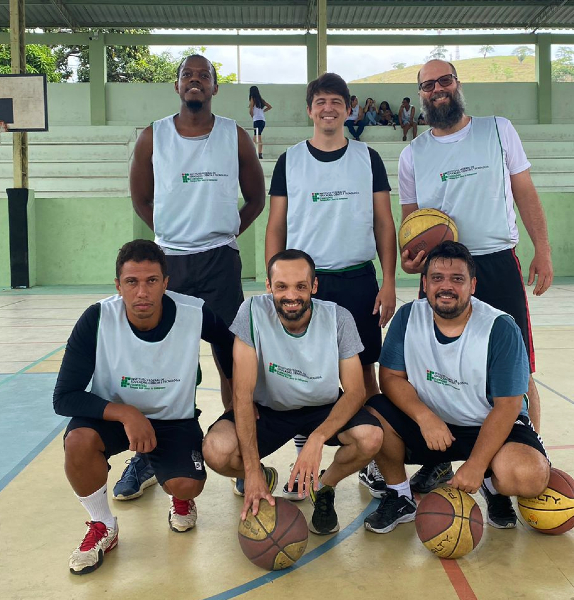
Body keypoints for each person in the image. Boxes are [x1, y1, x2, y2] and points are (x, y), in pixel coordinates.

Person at [398, 59, 553, 527]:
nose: (438, 89)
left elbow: (524, 191)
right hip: (443, 272)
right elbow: (411, 227)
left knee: (518, 370)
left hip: (495, 260)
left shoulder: (497, 130)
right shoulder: (413, 155)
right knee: (437, 369)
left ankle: (509, 468)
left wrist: (541, 249)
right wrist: (411, 261)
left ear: (457, 85)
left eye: (445, 80)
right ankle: (443, 456)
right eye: (429, 85)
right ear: (421, 94)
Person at [125, 54, 266, 502]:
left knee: (231, 358)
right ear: (177, 85)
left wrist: (221, 233)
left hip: (220, 262)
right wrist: (171, 237)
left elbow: (257, 197)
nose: (196, 82)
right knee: (165, 361)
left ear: (214, 88)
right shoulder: (154, 136)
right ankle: (149, 457)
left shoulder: (233, 135)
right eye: (188, 75)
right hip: (173, 264)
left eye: (204, 76)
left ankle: (244, 452)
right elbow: (141, 199)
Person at [53, 239, 235, 574]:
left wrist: (237, 398)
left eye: (152, 281)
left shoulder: (193, 313)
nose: (142, 293)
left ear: (166, 283)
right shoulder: (98, 318)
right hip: (116, 419)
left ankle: (175, 490)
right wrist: (127, 413)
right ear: (118, 285)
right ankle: (103, 525)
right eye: (132, 282)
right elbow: (64, 396)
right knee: (77, 442)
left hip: (174, 420)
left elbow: (228, 342)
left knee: (188, 484)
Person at [265, 72, 396, 499]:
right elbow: (276, 225)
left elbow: (383, 222)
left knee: (365, 373)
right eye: (320, 101)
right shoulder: (289, 160)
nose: (328, 108)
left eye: (336, 102)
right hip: (305, 287)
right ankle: (307, 458)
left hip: (358, 279)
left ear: (348, 108)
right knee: (307, 372)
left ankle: (375, 461)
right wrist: (274, 278)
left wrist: (390, 280)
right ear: (310, 109)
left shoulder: (367, 158)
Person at [364, 241, 550, 533]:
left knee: (529, 477)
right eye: (437, 278)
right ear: (424, 284)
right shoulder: (408, 316)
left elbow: (508, 405)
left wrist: (476, 465)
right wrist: (425, 417)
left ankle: (493, 485)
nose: (446, 286)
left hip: (486, 424)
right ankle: (399, 495)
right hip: (432, 425)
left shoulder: (499, 327)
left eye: (457, 279)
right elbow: (389, 378)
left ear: (473, 285)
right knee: (372, 417)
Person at [202, 250, 384, 535]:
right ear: (268, 287)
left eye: (300, 286)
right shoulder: (252, 312)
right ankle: (263, 476)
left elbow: (355, 391)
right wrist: (251, 472)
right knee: (215, 451)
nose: (291, 295)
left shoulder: (338, 318)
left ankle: (324, 488)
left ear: (314, 286)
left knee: (371, 438)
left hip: (322, 405)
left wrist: (318, 438)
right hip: (270, 409)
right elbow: (241, 393)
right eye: (282, 286)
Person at [249, 85, 272, 159]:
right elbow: (269, 106)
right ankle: (255, 152)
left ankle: (259, 153)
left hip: (257, 120)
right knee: (255, 137)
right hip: (262, 120)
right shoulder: (261, 100)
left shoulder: (253, 98)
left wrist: (252, 115)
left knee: (258, 137)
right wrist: (263, 111)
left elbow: (251, 110)